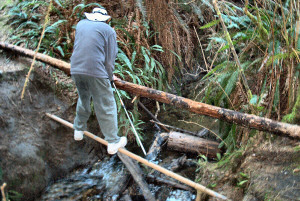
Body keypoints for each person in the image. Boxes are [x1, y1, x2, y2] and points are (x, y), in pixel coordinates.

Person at [70, 7, 127, 155]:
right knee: (106, 105)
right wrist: (109, 76)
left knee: (84, 98)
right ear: (106, 19)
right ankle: (113, 142)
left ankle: (78, 129)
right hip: (96, 71)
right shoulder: (108, 30)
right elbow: (109, 60)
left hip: (76, 69)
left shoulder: (81, 24)